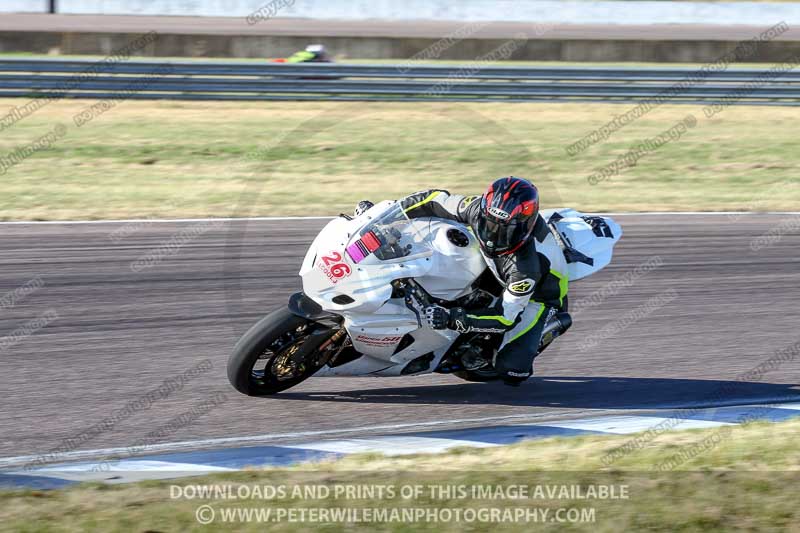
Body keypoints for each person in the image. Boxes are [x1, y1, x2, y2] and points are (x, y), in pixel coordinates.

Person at [360, 177, 569, 386]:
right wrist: (381, 217)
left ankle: (552, 325)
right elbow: (432, 199)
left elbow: (505, 318)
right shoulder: (475, 208)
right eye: (489, 223)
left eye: (506, 230)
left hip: (539, 297)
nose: (493, 235)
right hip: (494, 266)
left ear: (525, 227)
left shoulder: (526, 267)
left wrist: (453, 318)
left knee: (513, 369)